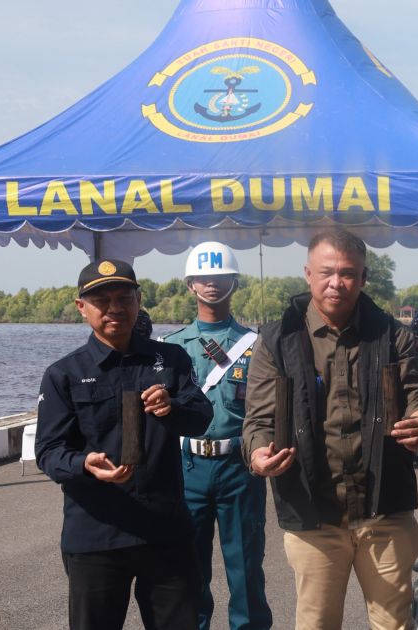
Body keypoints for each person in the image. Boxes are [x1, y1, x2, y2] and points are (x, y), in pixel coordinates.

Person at [242, 228, 418, 630]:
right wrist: (259, 454)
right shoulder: (276, 340)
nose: (336, 283)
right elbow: (258, 420)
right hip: (314, 511)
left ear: (363, 277)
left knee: (394, 623)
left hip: (384, 507)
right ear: (308, 273)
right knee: (316, 624)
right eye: (326, 272)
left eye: (348, 273)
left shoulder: (393, 335)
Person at [36, 258, 213, 630]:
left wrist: (172, 407)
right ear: (81, 307)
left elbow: (201, 417)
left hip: (164, 531)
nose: (114, 308)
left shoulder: (171, 360)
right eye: (102, 300)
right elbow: (49, 452)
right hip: (96, 535)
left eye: (124, 298)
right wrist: (84, 465)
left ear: (138, 300)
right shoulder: (63, 374)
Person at [163, 242, 272, 630]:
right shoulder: (171, 347)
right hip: (187, 466)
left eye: (221, 277)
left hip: (238, 464)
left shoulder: (257, 345)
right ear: (190, 284)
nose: (212, 284)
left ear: (235, 283)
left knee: (246, 566)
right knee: (188, 568)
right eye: (203, 278)